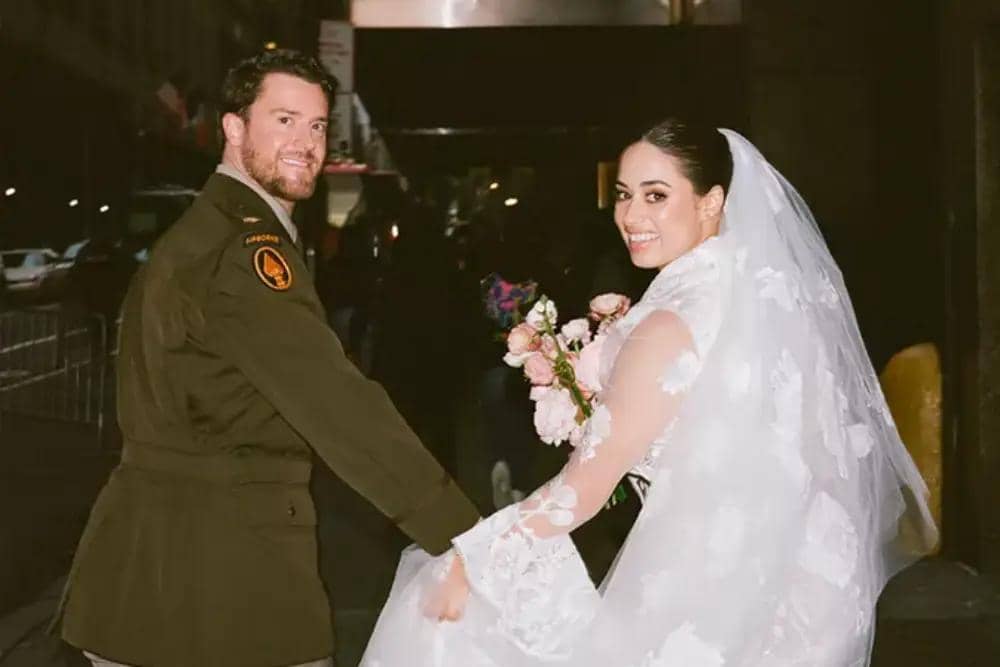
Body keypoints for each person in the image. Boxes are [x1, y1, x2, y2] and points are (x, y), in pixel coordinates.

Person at [361, 120, 938, 666]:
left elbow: (581, 491)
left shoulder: (669, 324)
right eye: (623, 194)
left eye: (656, 195)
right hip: (787, 581)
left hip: (706, 591)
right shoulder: (756, 298)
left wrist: (471, 561)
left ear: (711, 202)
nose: (631, 215)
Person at [52, 50, 479, 667]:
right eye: (284, 120)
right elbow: (336, 404)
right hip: (223, 577)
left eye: (317, 125)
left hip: (157, 572)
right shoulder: (245, 250)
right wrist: (463, 534)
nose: (306, 142)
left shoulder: (208, 230)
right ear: (234, 127)